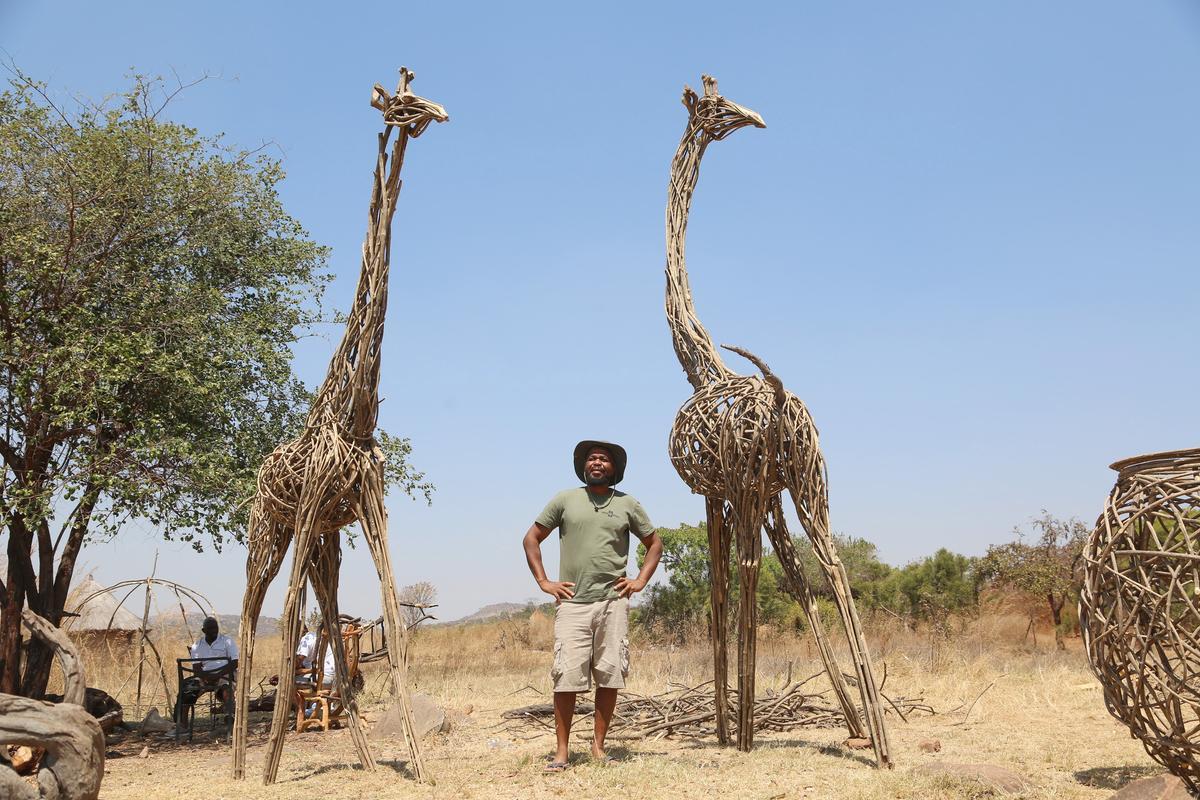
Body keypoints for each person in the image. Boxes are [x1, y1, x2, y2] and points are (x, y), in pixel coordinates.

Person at [522, 440, 663, 772]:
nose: (597, 462)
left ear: (614, 469)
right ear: (583, 465)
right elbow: (531, 537)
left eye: (604, 459)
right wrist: (545, 582)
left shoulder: (628, 504)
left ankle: (598, 747)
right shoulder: (565, 500)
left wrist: (639, 581)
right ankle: (561, 752)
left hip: (613, 603)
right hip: (573, 604)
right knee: (566, 677)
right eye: (592, 458)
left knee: (609, 675)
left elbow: (654, 543)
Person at [175, 616, 238, 727]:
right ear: (204, 630)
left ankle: (230, 717)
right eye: (210, 628)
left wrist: (218, 675)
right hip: (205, 676)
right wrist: (206, 677)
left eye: (215, 627)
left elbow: (234, 663)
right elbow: (196, 668)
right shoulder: (197, 646)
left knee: (226, 688)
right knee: (188, 690)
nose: (214, 630)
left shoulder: (227, 641)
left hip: (224, 673)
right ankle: (182, 723)